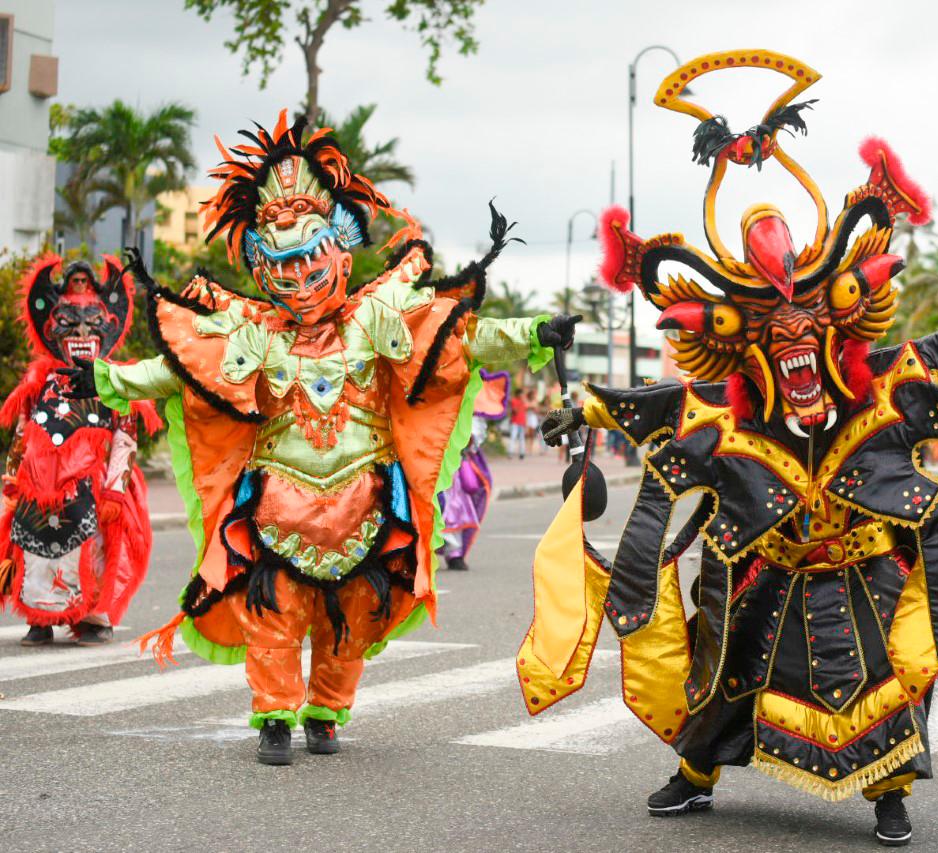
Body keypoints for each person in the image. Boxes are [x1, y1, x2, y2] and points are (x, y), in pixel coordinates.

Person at [521, 49, 938, 848]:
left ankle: (890, 793)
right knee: (726, 667)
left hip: (867, 565)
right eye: (772, 332)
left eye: (809, 327)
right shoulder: (729, 411)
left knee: (890, 675)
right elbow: (652, 406)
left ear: (835, 326)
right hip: (769, 563)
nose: (793, 340)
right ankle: (696, 772)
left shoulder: (884, 383)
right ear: (748, 345)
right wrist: (579, 408)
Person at [59, 111, 577, 764]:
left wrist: (533, 332)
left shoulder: (377, 321)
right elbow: (181, 370)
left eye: (309, 260)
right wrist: (106, 378)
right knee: (272, 611)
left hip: (368, 506)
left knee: (351, 617)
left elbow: (460, 339)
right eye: (282, 265)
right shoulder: (252, 334)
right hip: (275, 506)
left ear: (340, 255)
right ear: (261, 268)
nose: (299, 278)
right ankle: (275, 716)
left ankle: (326, 710)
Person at [0, 255, 160, 646]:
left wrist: (115, 490)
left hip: (92, 487)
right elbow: (22, 431)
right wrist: (12, 478)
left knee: (96, 551)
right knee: (35, 551)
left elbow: (125, 439)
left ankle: (90, 617)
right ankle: (40, 617)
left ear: (109, 325)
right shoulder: (39, 381)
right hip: (39, 487)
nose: (82, 331)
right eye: (70, 322)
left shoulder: (115, 383)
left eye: (92, 321)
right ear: (50, 328)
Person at [437, 370, 508, 571]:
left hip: (455, 467)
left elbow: (473, 437)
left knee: (457, 508)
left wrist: (463, 439)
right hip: (433, 463)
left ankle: (455, 554)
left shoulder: (472, 405)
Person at [508, 389, 528, 459]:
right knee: (513, 437)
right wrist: (520, 404)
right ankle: (510, 452)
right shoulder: (514, 400)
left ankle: (522, 453)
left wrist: (525, 422)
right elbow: (514, 411)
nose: (522, 395)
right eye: (521, 394)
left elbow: (525, 412)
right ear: (518, 394)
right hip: (515, 422)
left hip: (522, 422)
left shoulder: (524, 402)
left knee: (522, 438)